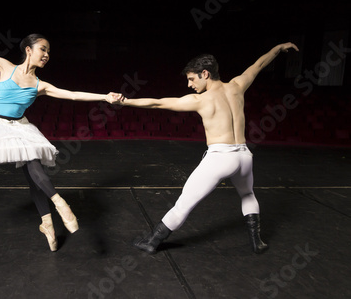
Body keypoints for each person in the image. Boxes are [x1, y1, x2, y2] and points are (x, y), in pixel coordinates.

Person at [0, 21, 117, 252]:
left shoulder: (41, 85)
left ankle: (48, 223)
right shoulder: (5, 67)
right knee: (33, 172)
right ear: (28, 50)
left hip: (21, 128)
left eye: (49, 51)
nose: (47, 54)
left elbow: (72, 95)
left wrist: (104, 97)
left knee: (33, 174)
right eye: (43, 49)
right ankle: (61, 204)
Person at [111, 42, 299, 254]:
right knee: (247, 194)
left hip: (220, 158)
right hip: (244, 156)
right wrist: (278, 48)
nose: (190, 84)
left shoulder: (200, 100)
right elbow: (259, 64)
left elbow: (158, 103)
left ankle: (152, 241)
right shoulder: (238, 86)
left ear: (205, 74)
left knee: (184, 203)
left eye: (192, 79)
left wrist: (124, 102)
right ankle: (257, 242)